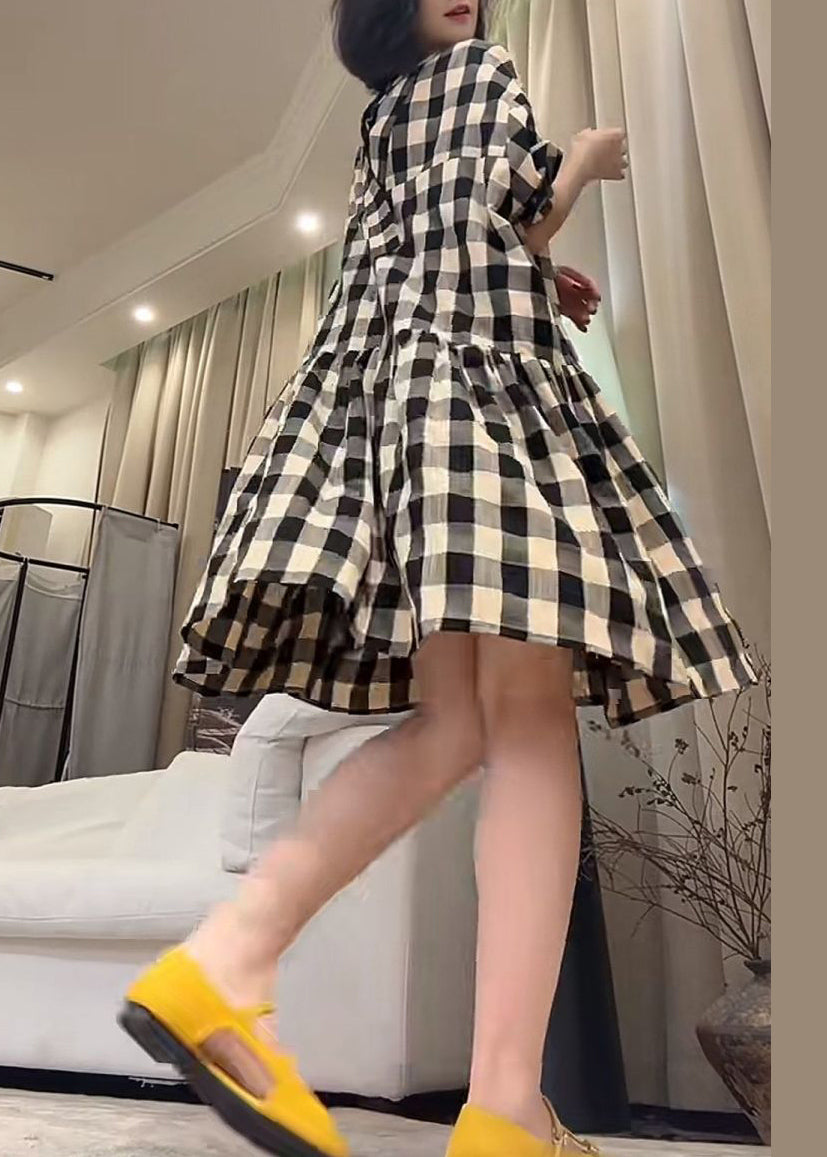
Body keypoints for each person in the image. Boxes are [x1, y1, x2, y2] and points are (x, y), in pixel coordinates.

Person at [118, 2, 757, 1155]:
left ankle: (226, 959)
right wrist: (582, 163)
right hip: (479, 409)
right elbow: (506, 201)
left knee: (457, 721)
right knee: (526, 721)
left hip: (397, 414)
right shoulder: (482, 71)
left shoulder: (382, 119)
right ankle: (504, 1102)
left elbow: (427, 247)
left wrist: (534, 273)